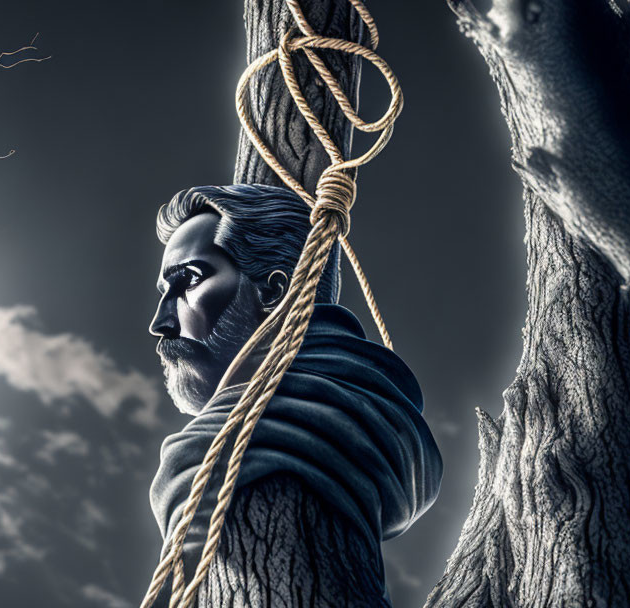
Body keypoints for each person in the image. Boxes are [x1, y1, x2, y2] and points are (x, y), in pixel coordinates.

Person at [148, 184, 442, 607]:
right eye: (164, 292)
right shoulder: (369, 421)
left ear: (272, 291)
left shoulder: (265, 440)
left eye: (189, 281)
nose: (160, 322)